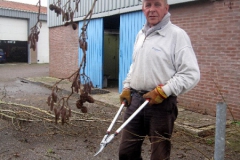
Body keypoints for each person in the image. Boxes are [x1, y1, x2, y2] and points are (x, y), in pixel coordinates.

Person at [119, 0, 200, 159]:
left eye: (157, 4)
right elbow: (135, 65)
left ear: (166, 8)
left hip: (161, 105)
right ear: (143, 9)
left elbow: (191, 73)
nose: (152, 10)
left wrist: (164, 91)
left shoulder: (177, 35)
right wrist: (127, 86)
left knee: (159, 155)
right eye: (148, 5)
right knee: (126, 152)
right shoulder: (141, 35)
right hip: (135, 100)